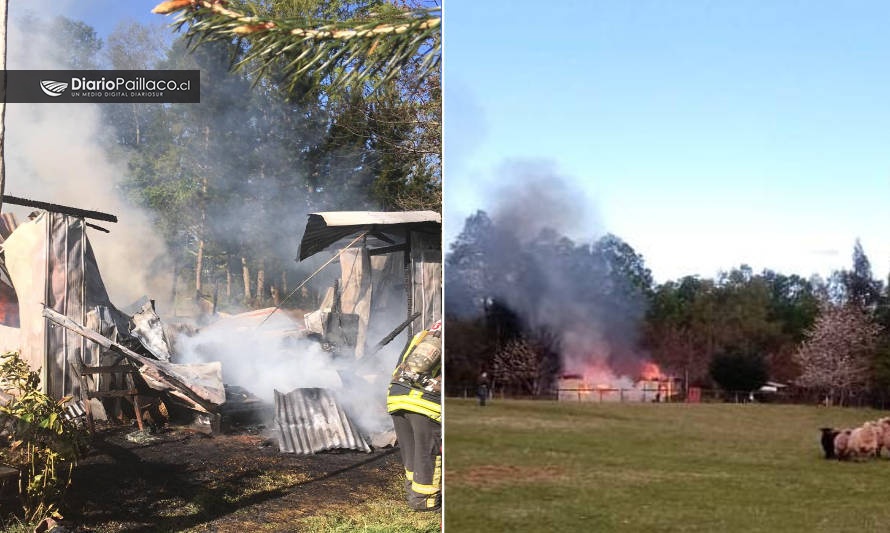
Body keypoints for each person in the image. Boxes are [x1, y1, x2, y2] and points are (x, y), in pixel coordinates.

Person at [386, 320, 442, 512]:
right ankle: (425, 503)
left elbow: (400, 365)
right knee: (429, 454)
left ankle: (412, 492)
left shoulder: (423, 334)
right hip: (425, 404)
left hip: (397, 397)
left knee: (412, 452)